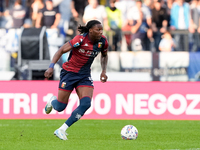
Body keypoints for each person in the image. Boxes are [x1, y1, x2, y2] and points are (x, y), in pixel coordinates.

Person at [44, 20, 108, 140]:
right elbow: (61, 50)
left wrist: (103, 71)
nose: (101, 32)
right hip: (69, 73)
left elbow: (104, 55)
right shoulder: (80, 40)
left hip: (84, 75)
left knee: (86, 103)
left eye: (101, 30)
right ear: (90, 31)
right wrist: (51, 66)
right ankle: (52, 101)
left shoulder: (103, 42)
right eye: (98, 30)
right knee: (60, 107)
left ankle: (62, 129)